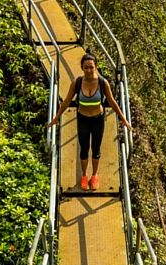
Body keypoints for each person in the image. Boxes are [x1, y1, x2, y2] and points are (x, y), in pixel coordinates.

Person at [48, 52, 132, 190]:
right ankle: (84, 176)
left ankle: (94, 176)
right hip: (82, 118)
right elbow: (66, 101)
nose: (88, 70)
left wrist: (124, 119)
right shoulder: (77, 83)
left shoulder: (102, 83)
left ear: (96, 67)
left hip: (98, 119)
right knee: (84, 148)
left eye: (91, 67)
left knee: (96, 148)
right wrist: (56, 118)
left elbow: (112, 102)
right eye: (86, 67)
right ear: (82, 67)